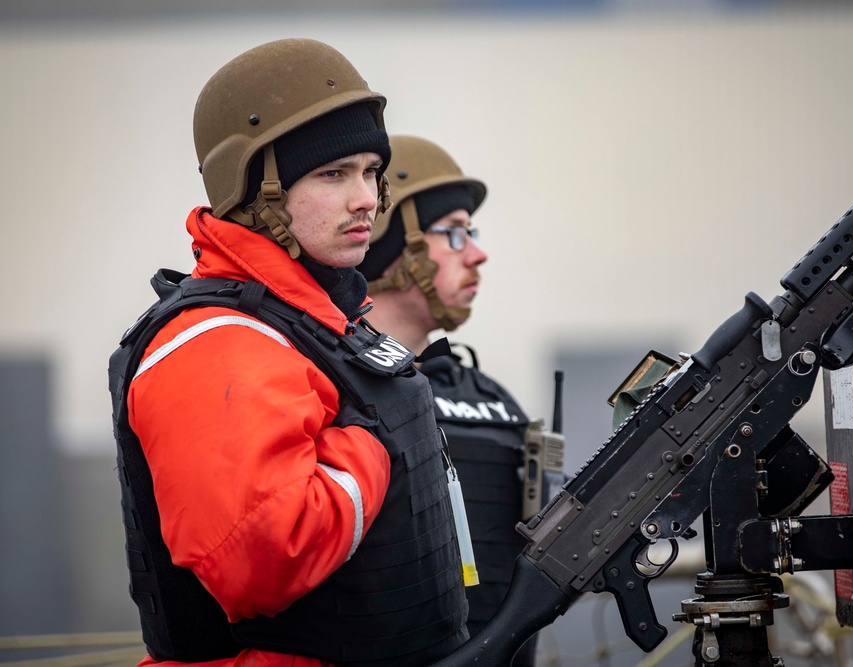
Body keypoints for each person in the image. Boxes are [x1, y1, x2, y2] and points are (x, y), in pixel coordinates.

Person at [107, 39, 468, 667]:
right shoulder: (216, 342)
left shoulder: (321, 324)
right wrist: (372, 441)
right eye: (333, 174)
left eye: (370, 172)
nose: (365, 199)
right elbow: (263, 557)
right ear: (255, 191)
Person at [359, 135, 554, 667]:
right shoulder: (334, 386)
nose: (479, 252)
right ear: (396, 243)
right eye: (455, 233)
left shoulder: (491, 399)